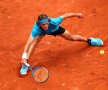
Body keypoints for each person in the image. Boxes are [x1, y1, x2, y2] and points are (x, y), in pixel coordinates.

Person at [20, 13, 103, 75]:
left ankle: (90, 40)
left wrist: (77, 14)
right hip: (42, 32)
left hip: (55, 29)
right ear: (39, 24)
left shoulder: (54, 22)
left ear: (48, 22)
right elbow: (28, 43)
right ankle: (25, 63)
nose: (45, 26)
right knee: (35, 42)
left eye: (46, 24)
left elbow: (66, 15)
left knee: (71, 37)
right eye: (43, 24)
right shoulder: (37, 29)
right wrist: (23, 57)